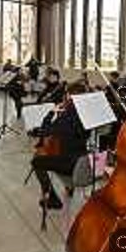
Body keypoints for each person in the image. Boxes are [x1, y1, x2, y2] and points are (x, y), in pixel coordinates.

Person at [30, 80, 89, 211]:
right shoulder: (86, 113)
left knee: (36, 161)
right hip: (83, 158)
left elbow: (46, 131)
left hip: (69, 162)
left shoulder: (68, 115)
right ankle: (69, 187)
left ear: (69, 96)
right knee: (54, 154)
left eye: (67, 93)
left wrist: (51, 113)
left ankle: (53, 199)